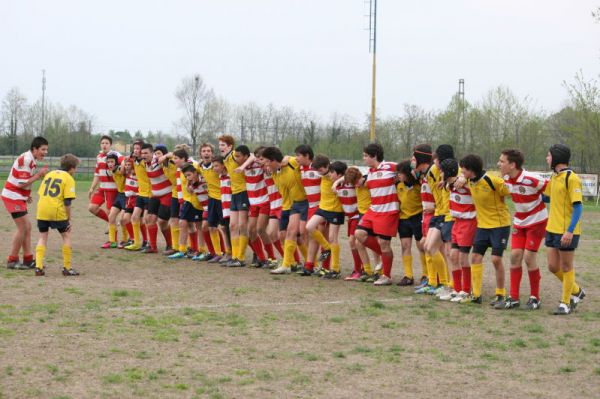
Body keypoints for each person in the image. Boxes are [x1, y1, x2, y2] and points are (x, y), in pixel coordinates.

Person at [497, 149, 548, 310]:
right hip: (520, 221)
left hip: (537, 221)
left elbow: (554, 190)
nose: (499, 164)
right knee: (514, 256)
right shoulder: (505, 178)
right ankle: (514, 298)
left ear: (512, 165)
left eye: (502, 161)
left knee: (528, 257)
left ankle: (535, 298)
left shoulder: (532, 179)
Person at [459, 154, 510, 305]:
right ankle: (476, 295)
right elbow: (455, 178)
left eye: (463, 171)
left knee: (495, 259)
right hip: (482, 225)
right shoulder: (469, 180)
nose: (461, 173)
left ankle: (501, 294)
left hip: (500, 225)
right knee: (475, 257)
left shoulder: (491, 179)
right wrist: (459, 179)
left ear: (471, 170)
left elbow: (509, 191)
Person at [544, 144, 586, 315]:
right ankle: (577, 291)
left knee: (567, 267)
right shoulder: (554, 177)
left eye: (548, 156)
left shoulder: (572, 178)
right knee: (553, 267)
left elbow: (578, 207)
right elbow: (544, 197)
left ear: (556, 158)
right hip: (551, 228)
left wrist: (569, 231)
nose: (547, 159)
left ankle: (565, 303)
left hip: (567, 231)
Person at [354, 143, 399, 286]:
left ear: (374, 156)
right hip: (373, 211)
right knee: (359, 234)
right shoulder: (370, 172)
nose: (364, 158)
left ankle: (387, 276)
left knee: (384, 243)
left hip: (388, 212)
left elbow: (408, 171)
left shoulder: (391, 167)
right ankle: (384, 255)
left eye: (366, 155)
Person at [2, 136, 49, 269]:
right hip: (12, 196)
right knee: (23, 228)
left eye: (46, 150)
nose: (45, 152)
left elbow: (23, 181)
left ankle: (28, 259)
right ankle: (12, 260)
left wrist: (26, 195)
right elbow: (22, 183)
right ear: (35, 149)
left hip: (17, 196)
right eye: (43, 149)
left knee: (27, 227)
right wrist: (39, 175)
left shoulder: (30, 159)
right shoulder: (27, 159)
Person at [261, 147, 307, 274]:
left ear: (273, 160)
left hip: (303, 203)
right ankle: (292, 263)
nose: (265, 165)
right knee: (282, 235)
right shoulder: (275, 173)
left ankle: (305, 263)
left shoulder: (291, 162)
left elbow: (307, 164)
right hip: (287, 206)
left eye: (266, 162)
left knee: (295, 234)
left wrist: (288, 157)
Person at [34, 154, 80, 276]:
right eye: (75, 168)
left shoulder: (49, 174)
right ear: (71, 168)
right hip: (56, 210)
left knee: (42, 237)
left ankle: (38, 267)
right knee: (66, 235)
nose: (75, 171)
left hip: (41, 209)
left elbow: (41, 193)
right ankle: (67, 268)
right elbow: (67, 202)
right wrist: (69, 219)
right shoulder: (69, 178)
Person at [438, 158, 476, 303]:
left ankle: (466, 290)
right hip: (456, 222)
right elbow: (452, 182)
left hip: (468, 222)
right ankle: (457, 289)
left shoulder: (464, 183)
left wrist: (462, 178)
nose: (439, 173)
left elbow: (470, 181)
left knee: (463, 258)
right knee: (453, 256)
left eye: (441, 170)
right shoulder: (450, 184)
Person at [305, 159, 347, 279]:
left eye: (321, 170)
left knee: (333, 238)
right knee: (309, 226)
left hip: (335, 210)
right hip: (322, 208)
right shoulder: (323, 175)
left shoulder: (335, 174)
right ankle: (326, 247)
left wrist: (337, 181)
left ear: (327, 167)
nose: (319, 173)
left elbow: (350, 173)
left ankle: (335, 269)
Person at [219, 135, 250, 267]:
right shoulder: (225, 159)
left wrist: (243, 167)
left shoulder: (233, 156)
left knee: (242, 225)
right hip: (234, 193)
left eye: (223, 145)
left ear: (230, 147)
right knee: (232, 226)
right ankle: (234, 256)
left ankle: (241, 258)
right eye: (219, 145)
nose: (220, 147)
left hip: (244, 192)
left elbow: (252, 155)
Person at [395, 160, 426, 286]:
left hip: (417, 217)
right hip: (403, 219)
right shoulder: (398, 185)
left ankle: (426, 274)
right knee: (405, 246)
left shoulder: (419, 184)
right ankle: (408, 275)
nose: (398, 175)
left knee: (421, 247)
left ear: (407, 173)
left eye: (400, 173)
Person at [88, 136, 120, 233]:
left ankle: (113, 233)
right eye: (102, 143)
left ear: (110, 145)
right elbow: (97, 174)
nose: (104, 145)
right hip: (102, 188)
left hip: (112, 189)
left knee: (110, 212)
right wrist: (92, 188)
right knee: (92, 208)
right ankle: (111, 223)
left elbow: (123, 165)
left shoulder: (116, 155)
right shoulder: (99, 157)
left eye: (106, 143)